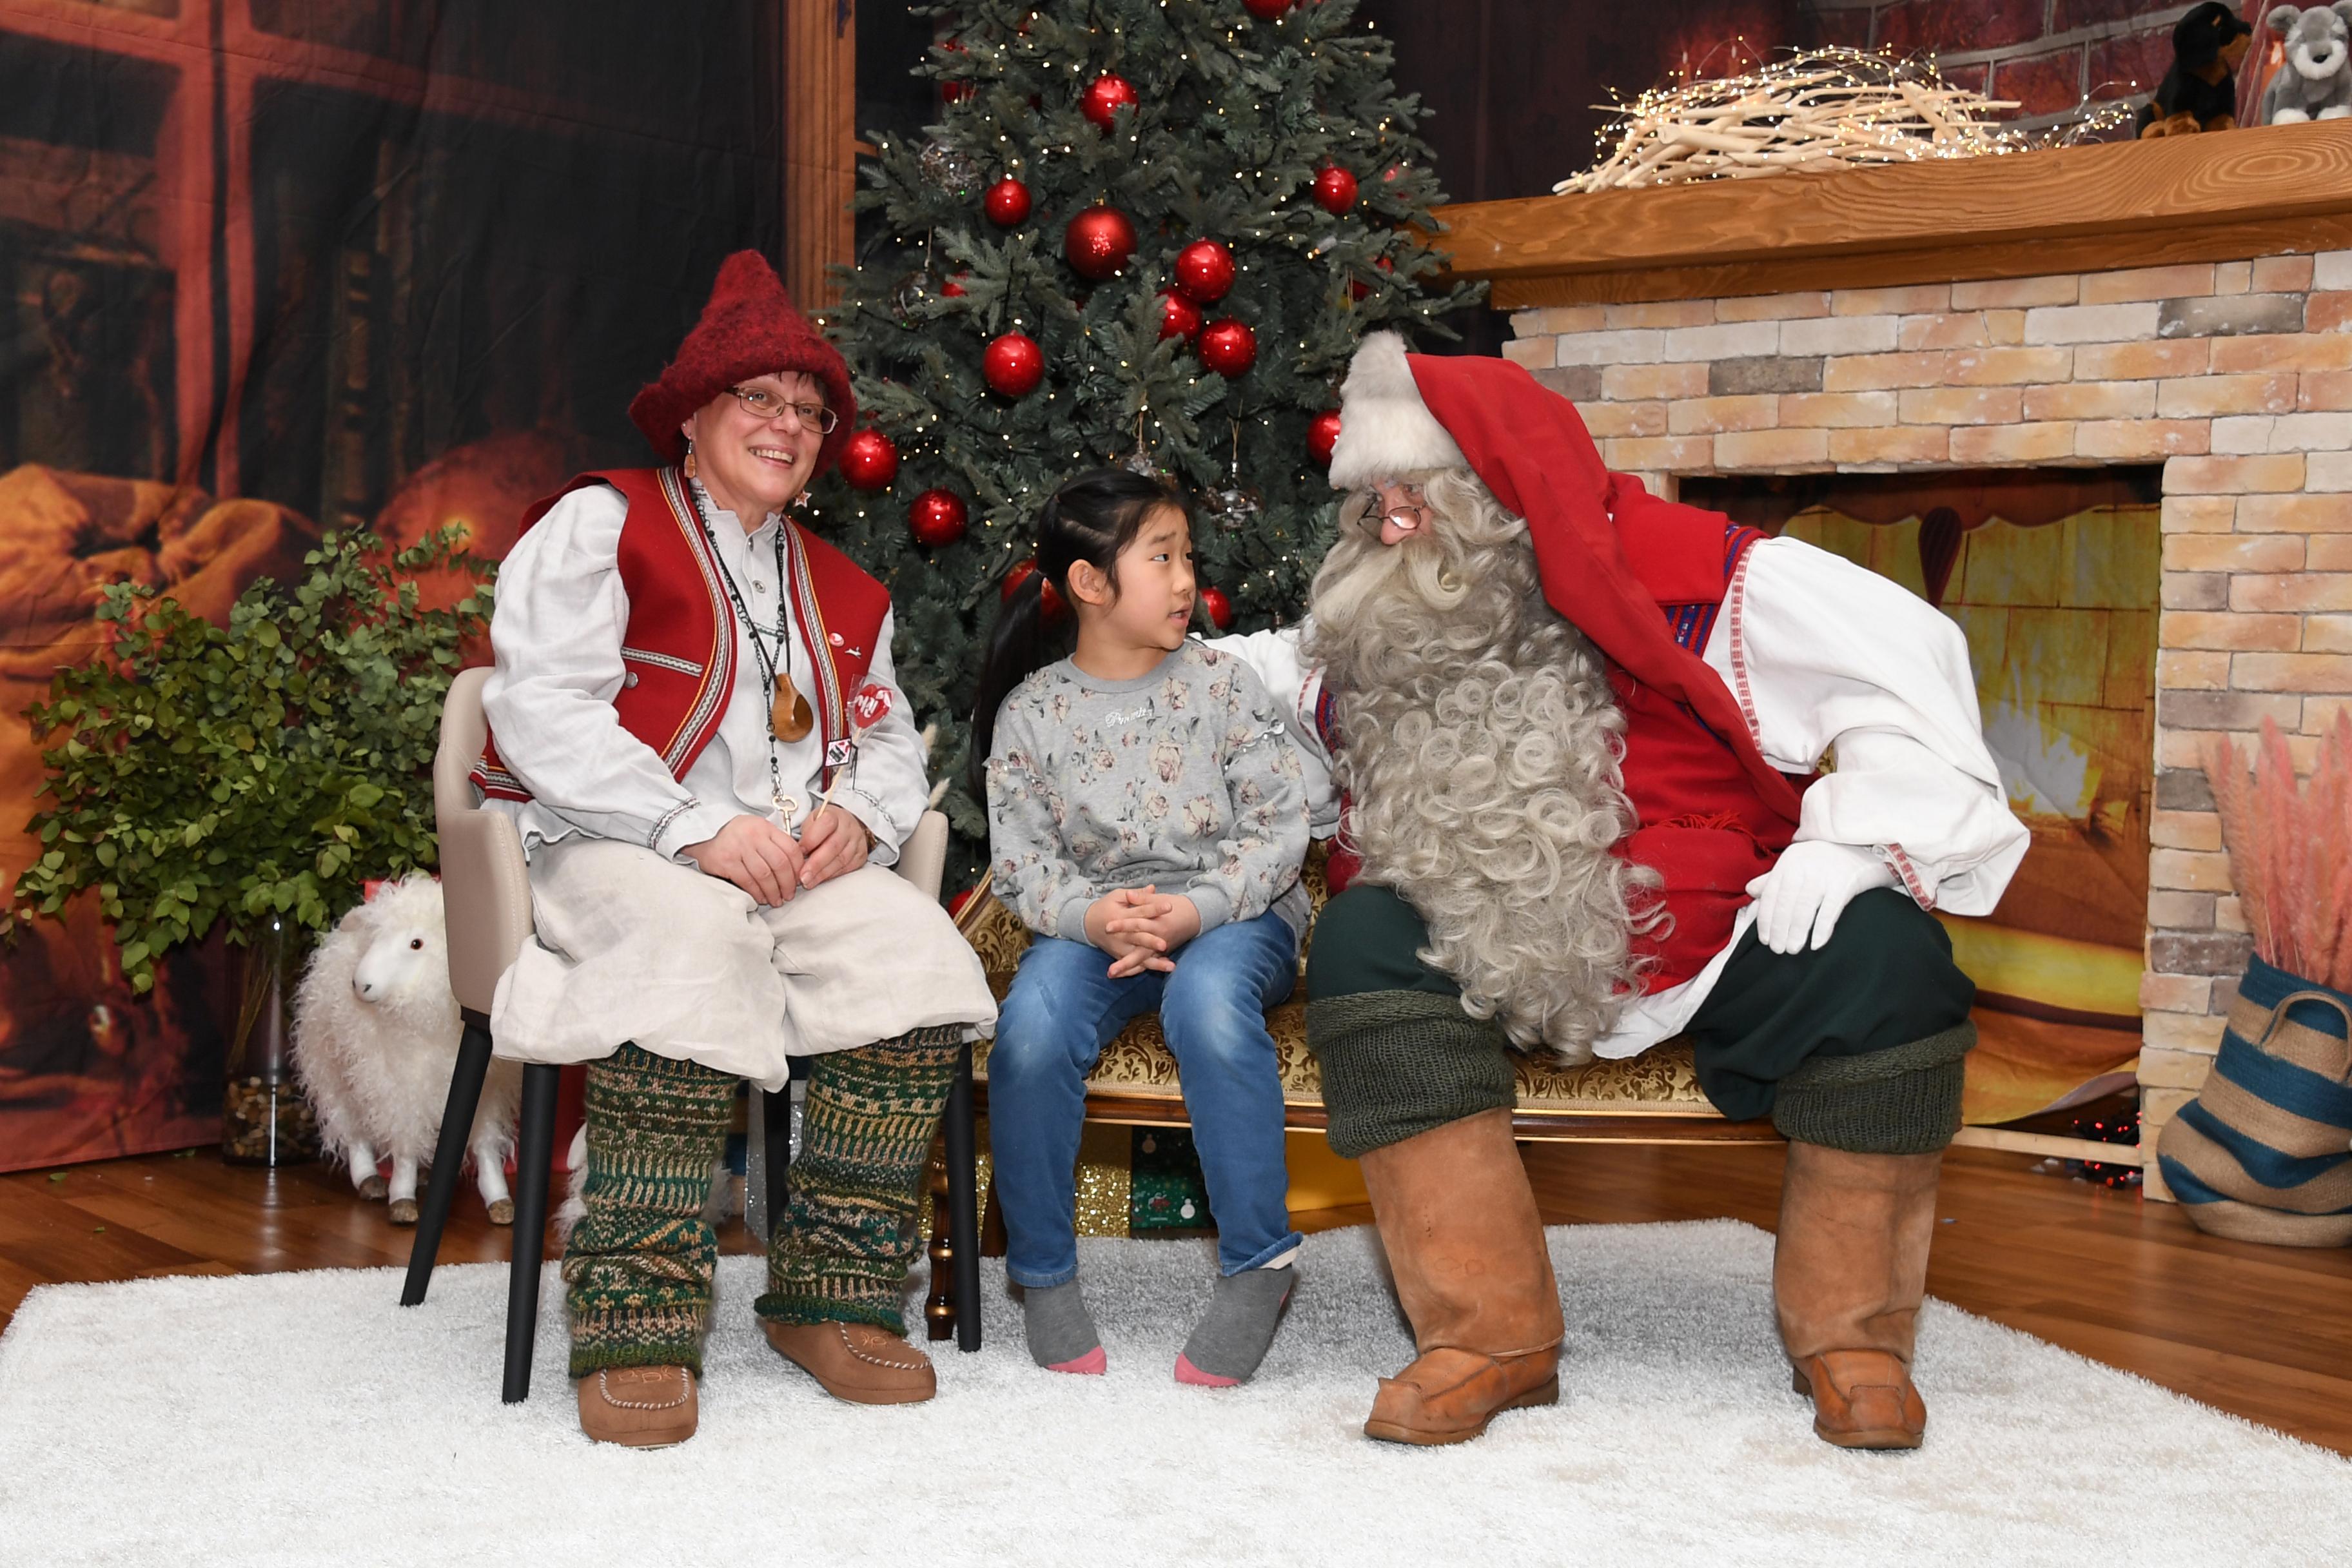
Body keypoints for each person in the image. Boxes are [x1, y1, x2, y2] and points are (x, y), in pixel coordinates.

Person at [1217, 332, 2028, 1451]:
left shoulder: (1715, 586)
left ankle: (1856, 1338)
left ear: (1499, 499)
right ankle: (1486, 1333)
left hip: (1709, 938)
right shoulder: (1371, 625)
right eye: (1373, 507)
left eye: (1412, 502)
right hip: (1472, 945)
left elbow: (1907, 668)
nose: (1386, 530)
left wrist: (1852, 842)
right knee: (1363, 942)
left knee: (1889, 961)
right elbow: (1224, 678)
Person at [472, 251, 997, 1447]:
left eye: (811, 412)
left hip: (790, 869)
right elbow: (540, 708)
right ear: (695, 416)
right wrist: (694, 827)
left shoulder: (844, 586)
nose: (791, 425)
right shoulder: (602, 523)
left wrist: (858, 816)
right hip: (617, 844)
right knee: (690, 942)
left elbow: (888, 739)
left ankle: (831, 1295)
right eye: (761, 399)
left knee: (913, 958)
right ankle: (637, 1317)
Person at [975, 470, 1311, 1387]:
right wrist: (1093, 916)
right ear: (1090, 584)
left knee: (1206, 1004)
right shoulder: (1033, 713)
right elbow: (1021, 863)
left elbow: (1283, 827)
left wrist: (1195, 909)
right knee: (1033, 1029)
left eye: (1186, 557)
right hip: (1099, 925)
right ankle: (1042, 1273)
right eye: (1160, 558)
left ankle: (1258, 1263)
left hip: (1233, 914)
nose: (1183, 580)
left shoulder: (1222, 685)